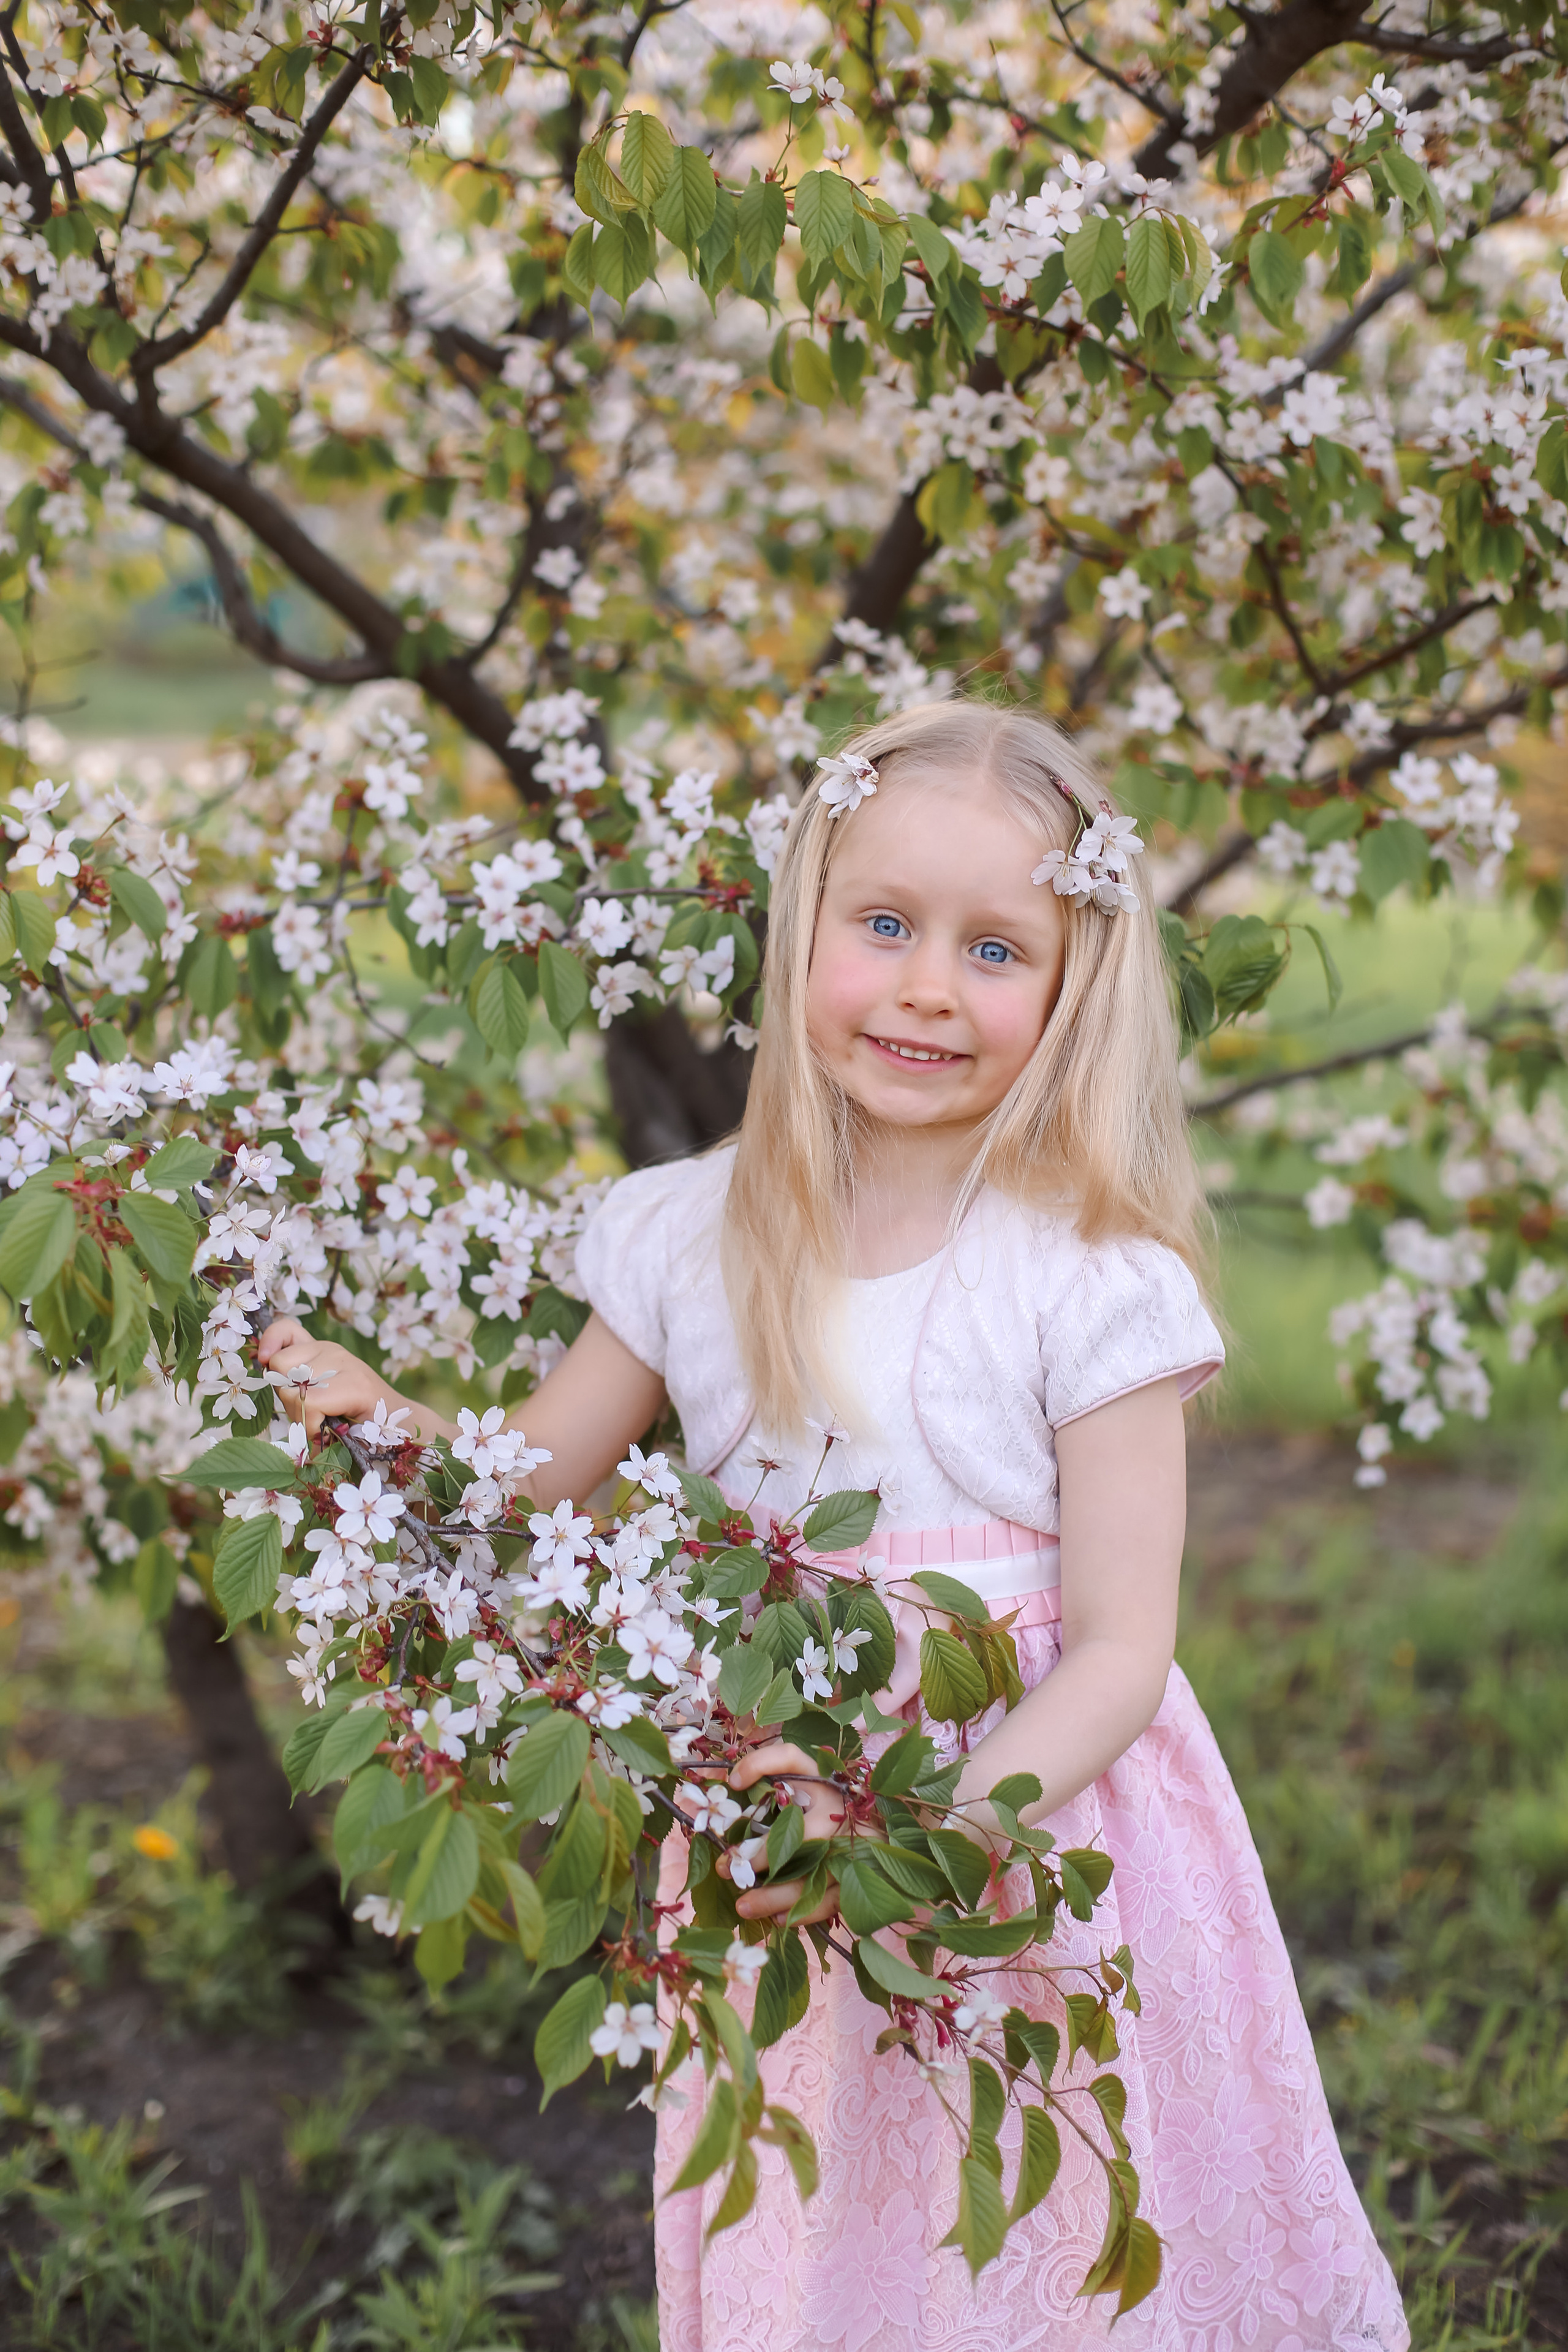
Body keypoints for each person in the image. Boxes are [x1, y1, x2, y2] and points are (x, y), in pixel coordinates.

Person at [260, 701, 1408, 2351]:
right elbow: (521, 1492)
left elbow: (1126, 1655)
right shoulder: (685, 1238)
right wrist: (402, 1434)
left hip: (1030, 1829)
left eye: (997, 948)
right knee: (828, 2192)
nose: (931, 985)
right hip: (771, 1807)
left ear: (1077, 992)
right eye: (884, 926)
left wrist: (925, 1833)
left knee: (1054, 2213)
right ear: (804, 931)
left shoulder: (1088, 1281)